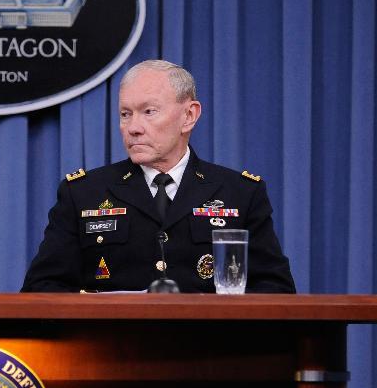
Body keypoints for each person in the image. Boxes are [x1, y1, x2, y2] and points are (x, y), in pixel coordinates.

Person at [22, 60, 295, 293]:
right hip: (110, 347)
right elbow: (42, 288)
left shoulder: (240, 193)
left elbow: (276, 290)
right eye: (125, 114)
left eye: (149, 112)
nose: (133, 128)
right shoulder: (83, 193)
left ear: (189, 115)